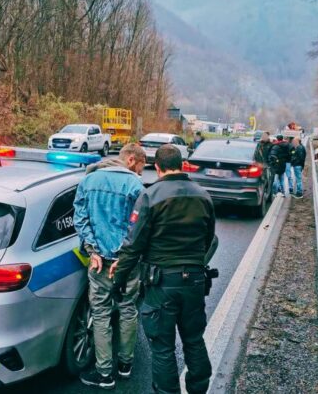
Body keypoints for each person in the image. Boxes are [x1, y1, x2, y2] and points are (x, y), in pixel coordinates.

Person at [113, 144, 216, 394]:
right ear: (181, 164)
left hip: (161, 285)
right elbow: (209, 238)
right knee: (193, 340)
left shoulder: (150, 196)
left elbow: (133, 244)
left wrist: (119, 280)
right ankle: (199, 388)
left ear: (156, 167)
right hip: (194, 281)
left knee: (162, 348)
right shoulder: (203, 195)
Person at [73, 143, 147, 390]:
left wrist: (92, 250)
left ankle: (105, 374)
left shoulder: (89, 180)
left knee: (101, 313)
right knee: (128, 309)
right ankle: (125, 365)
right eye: (141, 166)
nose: (141, 171)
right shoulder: (136, 186)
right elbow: (138, 228)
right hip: (125, 263)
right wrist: (124, 257)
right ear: (130, 161)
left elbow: (80, 219)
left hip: (99, 262)